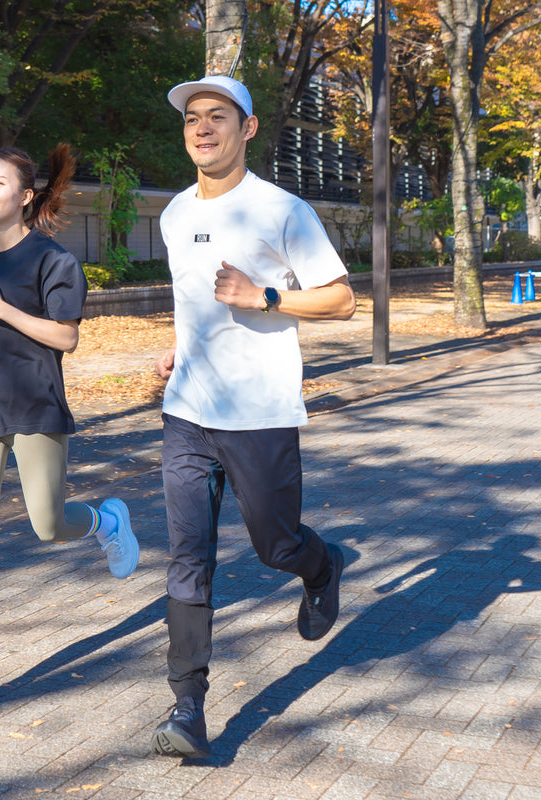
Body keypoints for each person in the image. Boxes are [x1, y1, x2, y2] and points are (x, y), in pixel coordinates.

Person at [149, 76, 356, 757]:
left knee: (275, 545)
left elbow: (340, 301)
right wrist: (178, 347)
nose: (202, 129)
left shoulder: (283, 210)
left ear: (249, 128)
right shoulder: (175, 214)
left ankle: (319, 567)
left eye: (217, 117)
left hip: (260, 413)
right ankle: (186, 709)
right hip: (186, 415)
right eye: (192, 120)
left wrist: (264, 295)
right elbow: (195, 304)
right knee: (188, 559)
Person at [0, 143, 140, 704]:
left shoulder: (54, 261)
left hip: (36, 405)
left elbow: (65, 336)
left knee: (48, 524)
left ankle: (107, 523)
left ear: (25, 195)